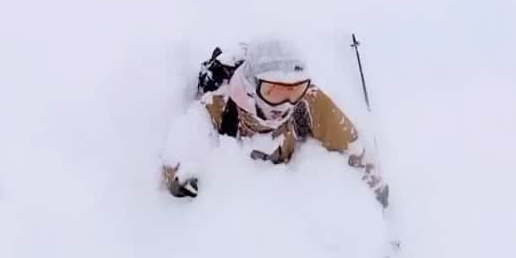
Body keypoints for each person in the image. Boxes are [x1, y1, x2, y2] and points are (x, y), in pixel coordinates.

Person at [162, 38, 388, 205]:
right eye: (273, 92)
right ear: (251, 88)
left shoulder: (305, 101)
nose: (286, 103)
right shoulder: (220, 105)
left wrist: (374, 181)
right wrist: (180, 179)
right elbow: (183, 144)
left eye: (296, 89)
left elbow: (349, 141)